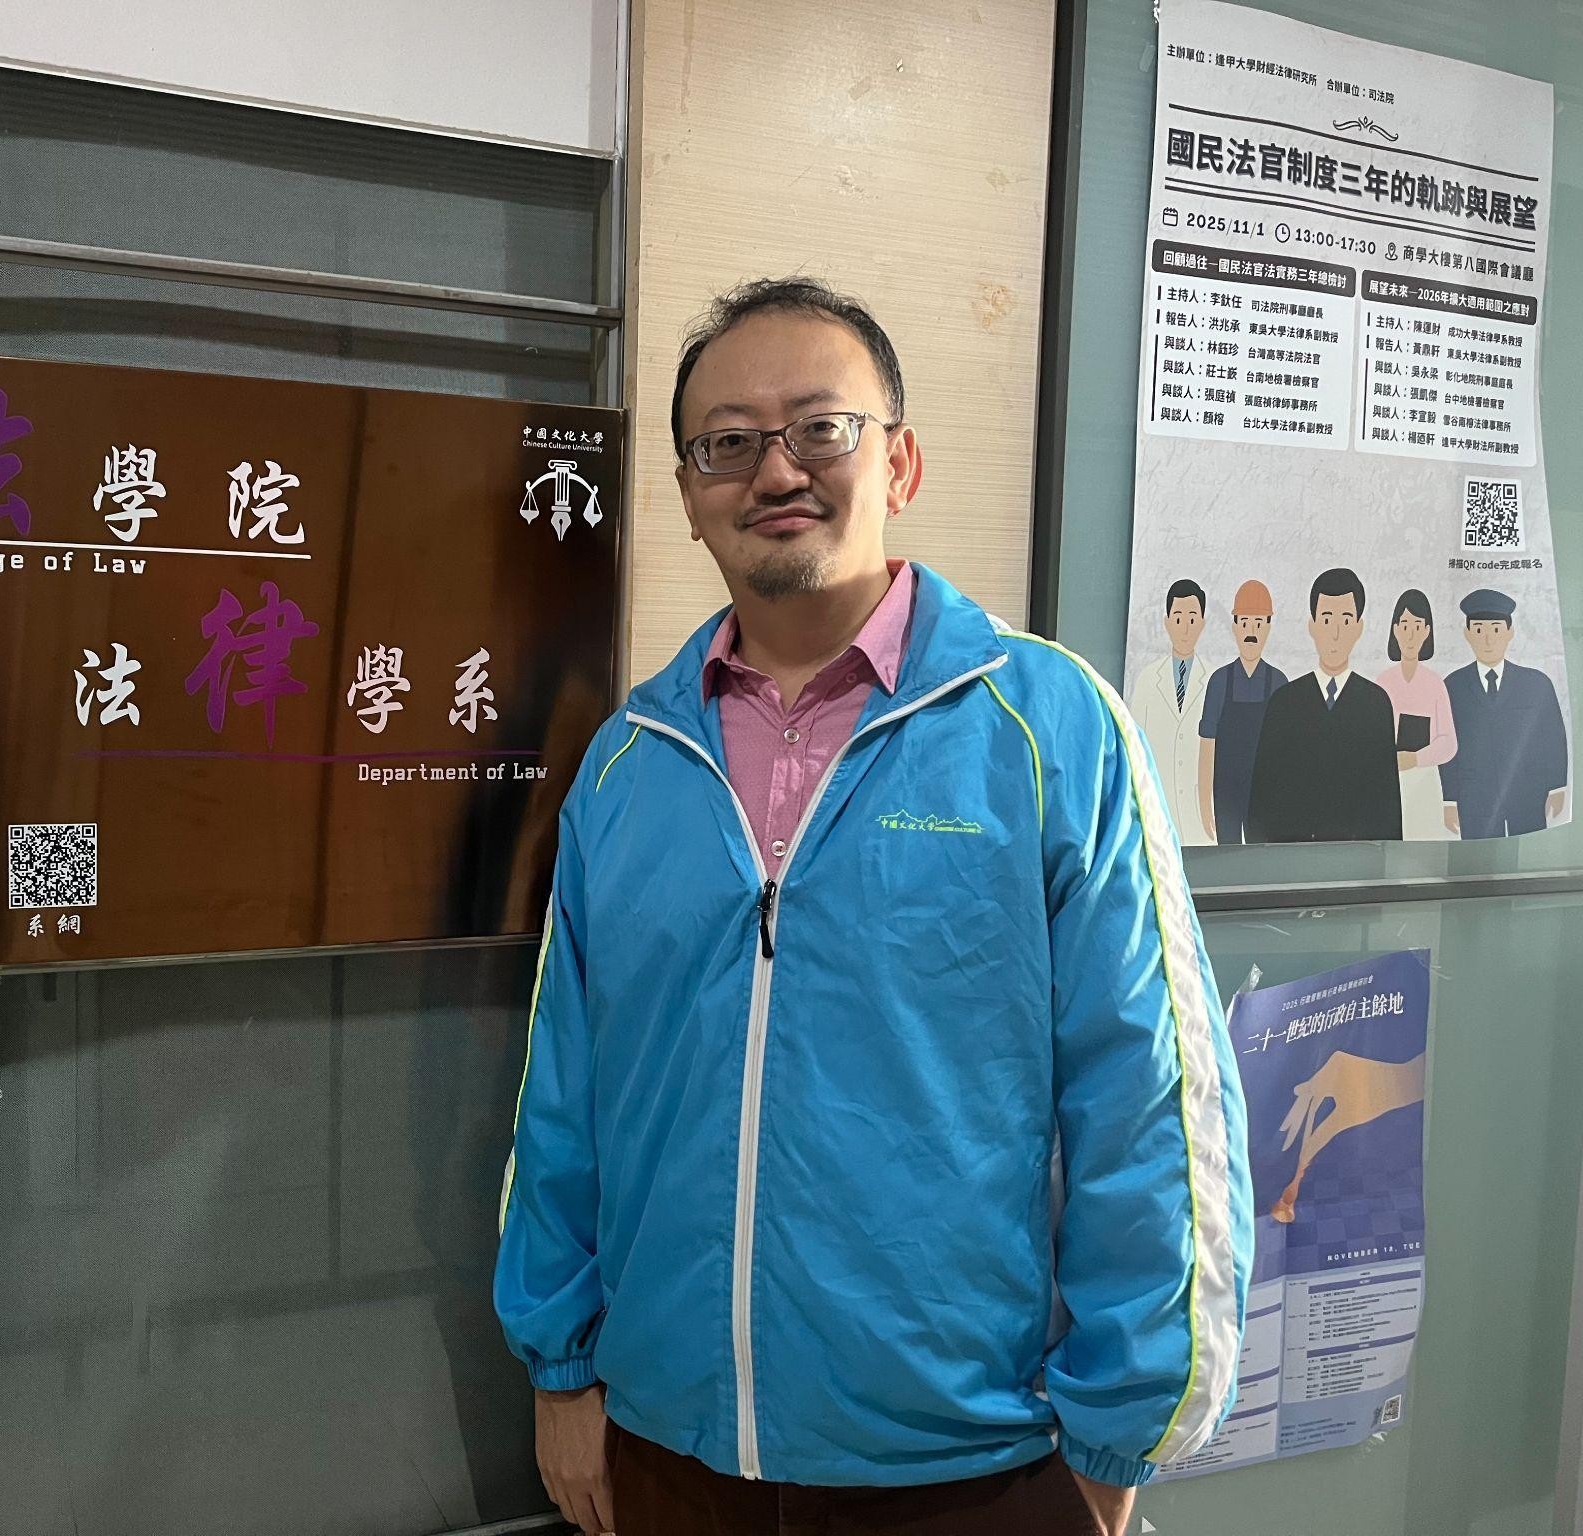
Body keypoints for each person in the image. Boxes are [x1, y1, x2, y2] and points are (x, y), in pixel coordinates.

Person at [494, 277, 1250, 1536]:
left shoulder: (1046, 728)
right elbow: (565, 1094)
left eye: (819, 427)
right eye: (727, 442)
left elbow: (1149, 1095)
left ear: (897, 461)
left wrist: (1115, 1438)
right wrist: (560, 1366)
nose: (773, 469)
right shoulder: (630, 761)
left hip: (974, 1461)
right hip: (669, 1448)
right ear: (686, 493)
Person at [1245, 568, 1401, 842]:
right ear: (1312, 625)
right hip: (1293, 855)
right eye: (1327, 620)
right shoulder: (1284, 702)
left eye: (1346, 620)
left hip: (1356, 856)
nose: (1336, 633)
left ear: (1359, 627)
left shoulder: (1376, 703)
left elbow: (1387, 803)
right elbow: (1261, 797)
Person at [1441, 588, 1570, 838]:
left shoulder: (1536, 684)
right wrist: (1449, 799)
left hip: (1528, 789)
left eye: (1497, 629)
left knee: (1530, 850)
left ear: (1510, 632)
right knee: (1476, 855)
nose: (1488, 640)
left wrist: (1557, 786)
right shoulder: (1453, 686)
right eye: (1479, 630)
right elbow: (1449, 749)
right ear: (1467, 634)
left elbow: (1553, 737)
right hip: (1474, 794)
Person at [1196, 579, 1286, 844]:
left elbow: (1287, 749)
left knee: (1262, 860)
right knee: (1229, 858)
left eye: (1258, 623)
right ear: (1235, 626)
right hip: (1226, 795)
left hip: (1265, 795)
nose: (1251, 632)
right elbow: (1207, 745)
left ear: (1268, 627)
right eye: (1245, 623)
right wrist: (1205, 803)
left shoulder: (1279, 683)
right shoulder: (1219, 681)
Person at [1129, 579, 1212, 844]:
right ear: (1166, 623)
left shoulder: (1213, 679)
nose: (1185, 628)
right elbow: (1134, 748)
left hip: (1199, 815)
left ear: (1202, 623)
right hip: (1157, 806)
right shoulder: (1147, 679)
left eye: (1192, 619)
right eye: (1177, 619)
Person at [1371, 589, 1457, 841]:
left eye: (1417, 626)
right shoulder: (1383, 683)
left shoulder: (1435, 684)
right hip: (1388, 781)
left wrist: (1416, 758)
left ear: (1427, 631)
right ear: (1395, 630)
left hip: (1424, 784)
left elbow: (1448, 743)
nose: (1410, 635)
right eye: (1405, 626)